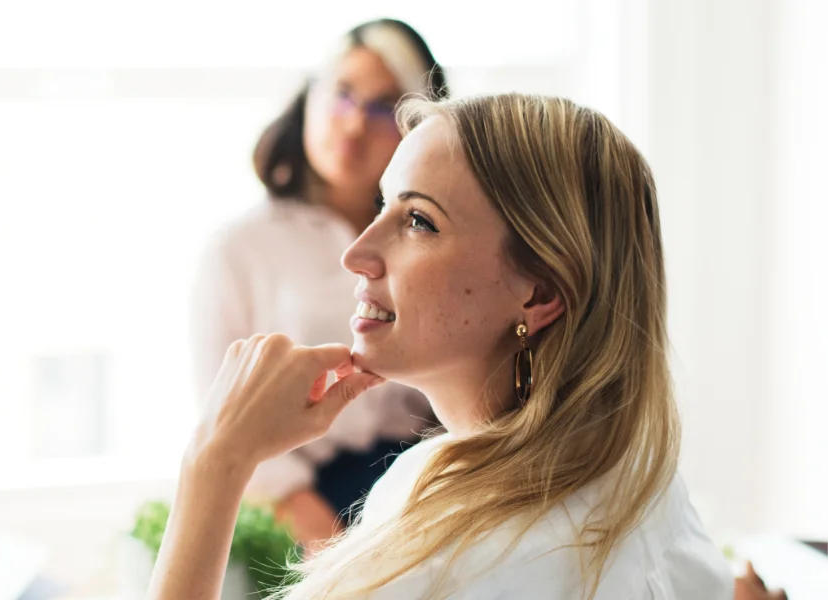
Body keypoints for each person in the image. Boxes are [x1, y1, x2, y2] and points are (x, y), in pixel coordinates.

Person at [152, 94, 735, 599]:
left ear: (540, 292)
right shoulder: (641, 481)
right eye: (383, 206)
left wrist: (215, 460)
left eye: (419, 222)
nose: (356, 253)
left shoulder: (452, 560)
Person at [190, 18, 447, 549]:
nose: (353, 125)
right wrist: (332, 550)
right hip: (297, 509)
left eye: (383, 107)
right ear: (310, 97)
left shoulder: (443, 241)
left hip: (426, 488)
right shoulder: (240, 249)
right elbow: (222, 417)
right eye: (343, 95)